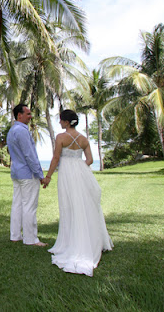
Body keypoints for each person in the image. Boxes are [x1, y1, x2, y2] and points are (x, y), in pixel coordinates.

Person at [42, 109, 113, 276]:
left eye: (61, 120)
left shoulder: (61, 137)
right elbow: (89, 160)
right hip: (80, 174)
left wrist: (48, 176)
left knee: (68, 206)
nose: (59, 123)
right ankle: (82, 239)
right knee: (83, 205)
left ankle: (69, 244)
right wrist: (78, 166)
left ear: (66, 122)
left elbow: (55, 158)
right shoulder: (83, 139)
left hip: (66, 174)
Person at [6, 104, 47, 247]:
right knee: (29, 205)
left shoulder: (12, 131)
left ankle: (15, 235)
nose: (30, 117)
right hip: (27, 173)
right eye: (28, 114)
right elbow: (30, 155)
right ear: (19, 115)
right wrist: (40, 175)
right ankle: (31, 239)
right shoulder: (22, 131)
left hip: (16, 172)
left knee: (17, 204)